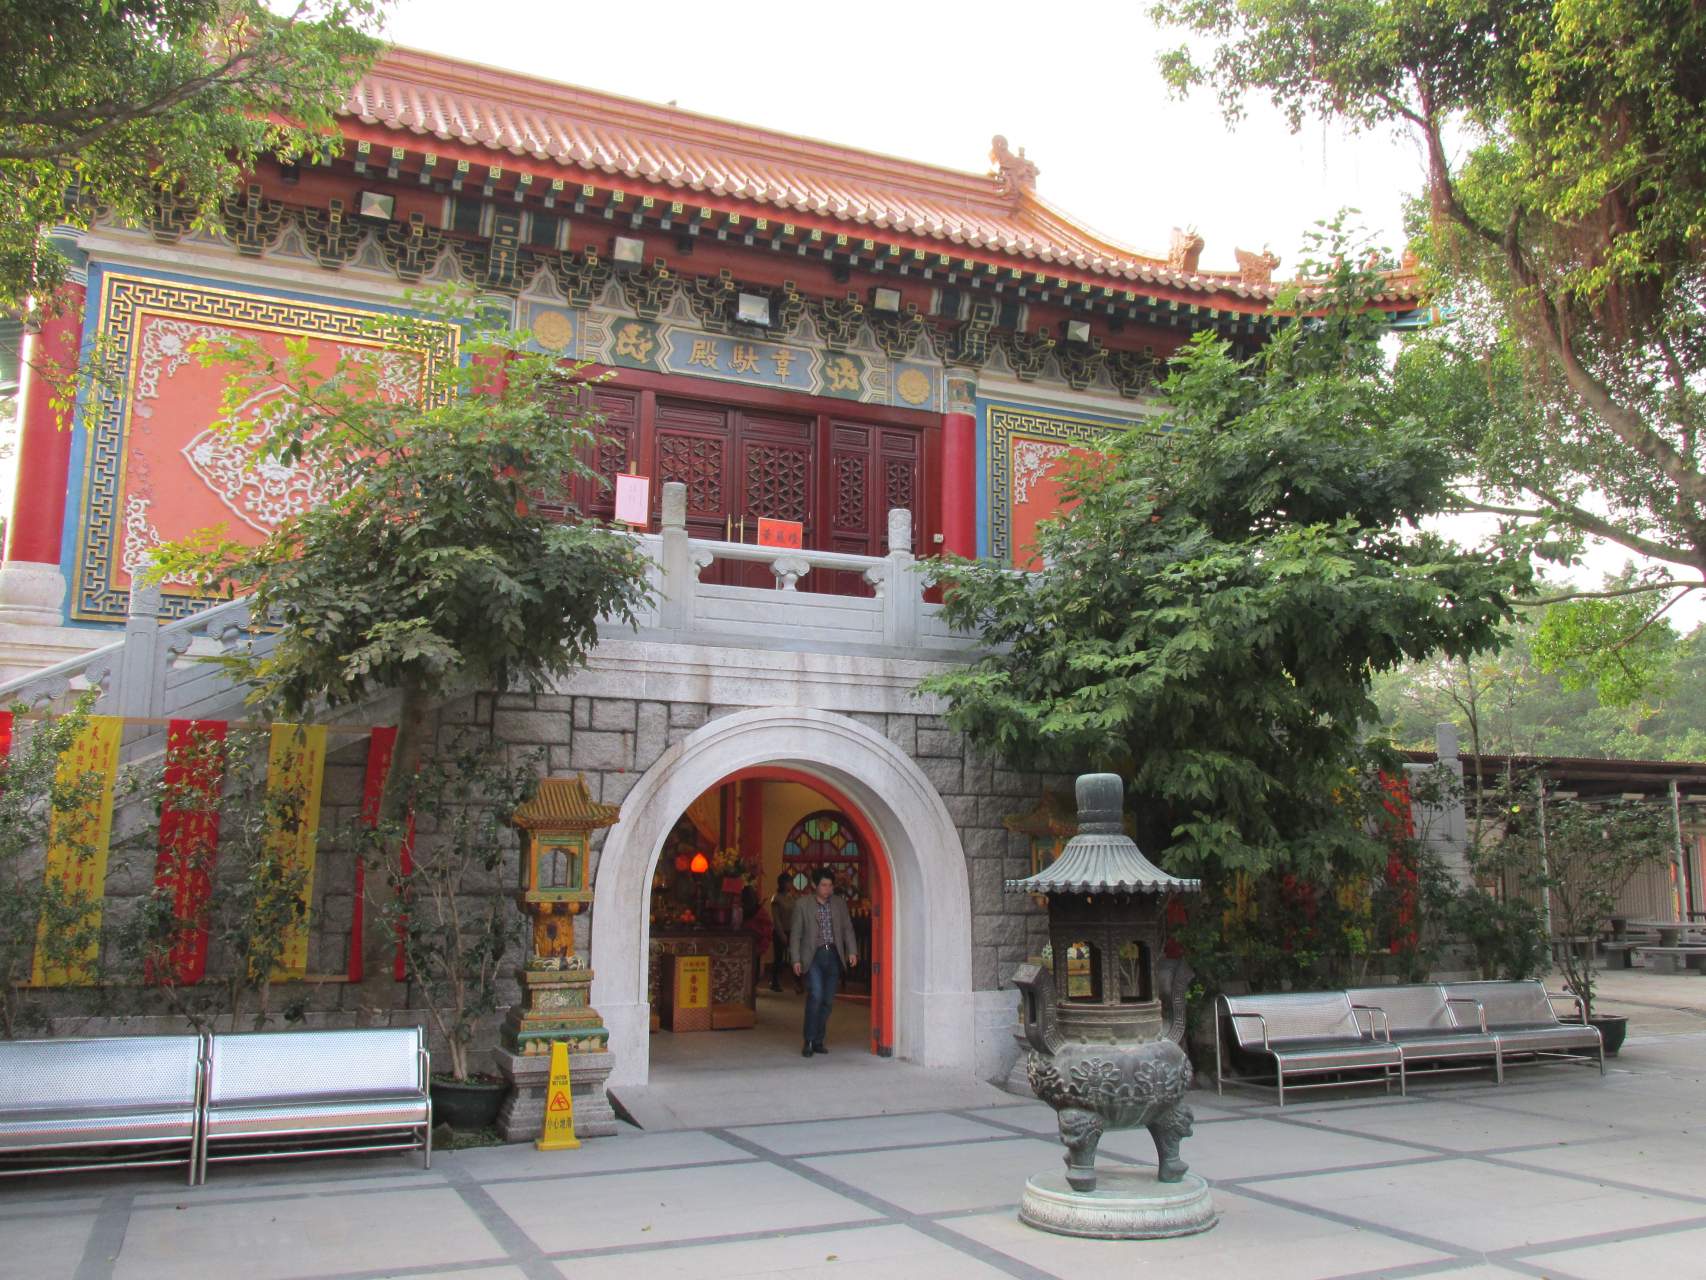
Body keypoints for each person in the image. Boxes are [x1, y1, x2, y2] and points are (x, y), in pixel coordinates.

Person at [789, 868, 858, 1057]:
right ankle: (809, 1040)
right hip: (813, 957)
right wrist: (795, 959)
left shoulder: (839, 904)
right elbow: (795, 934)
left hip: (833, 956)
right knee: (816, 995)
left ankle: (819, 1040)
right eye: (824, 885)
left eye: (830, 885)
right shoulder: (802, 905)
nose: (828, 889)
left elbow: (847, 928)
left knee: (827, 1001)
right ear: (814, 885)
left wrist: (852, 951)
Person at [769, 872, 801, 994]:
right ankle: (774, 982)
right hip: (780, 931)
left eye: (791, 882)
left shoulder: (791, 896)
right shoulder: (776, 898)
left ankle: (798, 983)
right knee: (778, 958)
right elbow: (776, 919)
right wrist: (781, 934)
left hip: (792, 931)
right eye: (788, 882)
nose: (790, 884)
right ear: (782, 883)